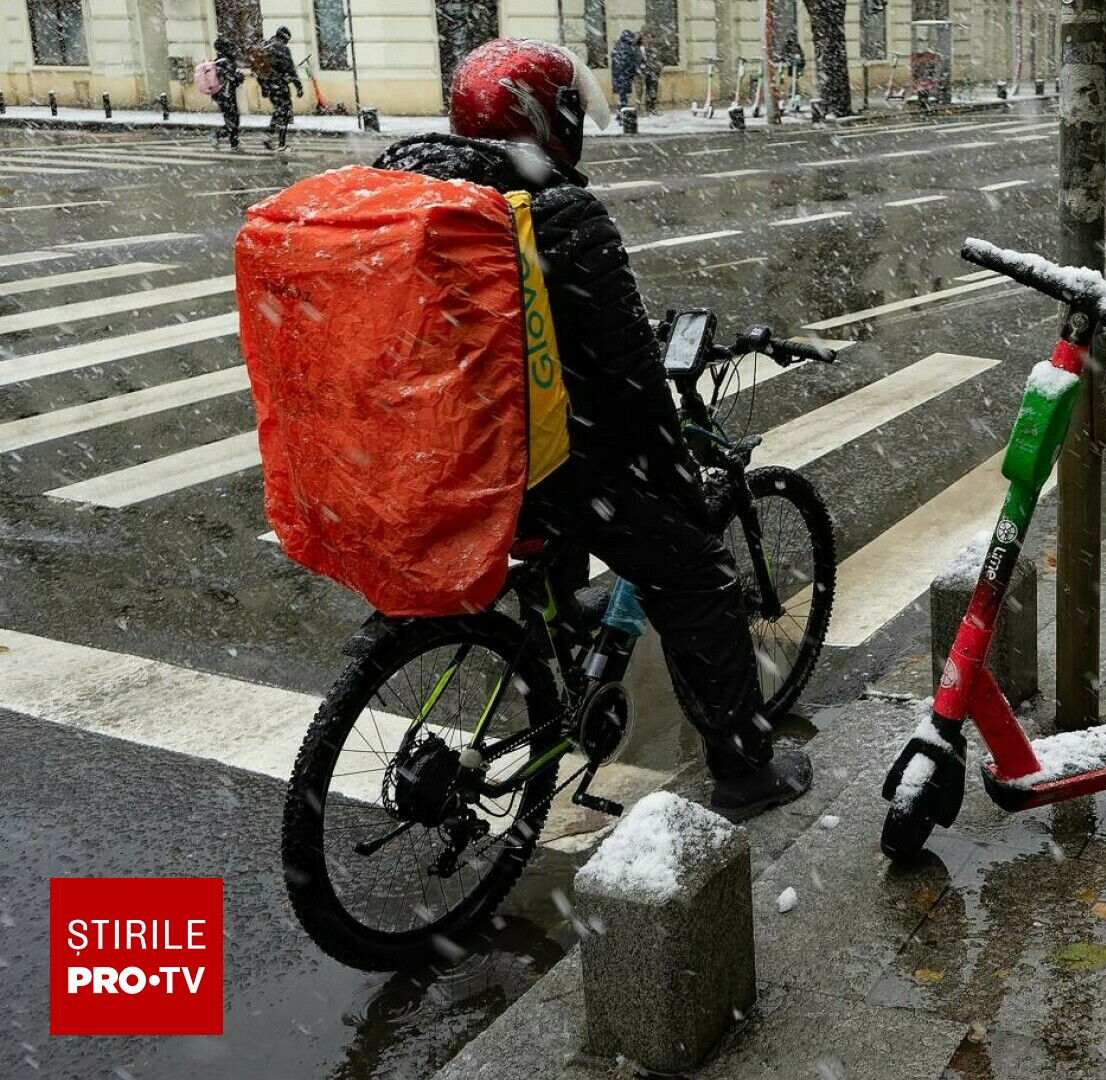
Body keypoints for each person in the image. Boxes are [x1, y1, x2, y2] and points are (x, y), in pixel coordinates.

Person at [368, 38, 813, 818]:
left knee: (568, 504)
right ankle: (746, 773)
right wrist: (678, 479)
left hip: (452, 455)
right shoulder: (562, 216)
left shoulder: (414, 195)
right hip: (546, 464)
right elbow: (631, 383)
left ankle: (563, 627)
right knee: (700, 574)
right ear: (551, 119)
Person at [256, 26, 304, 150]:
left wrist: (265, 87)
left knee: (278, 111)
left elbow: (260, 69)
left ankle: (269, 135)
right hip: (280, 85)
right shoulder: (282, 49)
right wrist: (299, 86)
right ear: (285, 38)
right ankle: (281, 144)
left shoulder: (266, 46)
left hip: (270, 85)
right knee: (284, 114)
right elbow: (290, 69)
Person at [210, 37, 244, 151]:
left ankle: (234, 144)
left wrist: (236, 78)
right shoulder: (223, 62)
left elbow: (231, 79)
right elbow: (230, 78)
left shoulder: (222, 61)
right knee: (232, 121)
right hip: (225, 96)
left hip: (226, 95)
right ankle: (218, 136)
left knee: (233, 120)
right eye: (228, 46)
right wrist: (238, 77)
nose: (231, 49)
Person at [611, 29, 640, 110]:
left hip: (622, 75)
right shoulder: (624, 47)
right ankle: (623, 110)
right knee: (623, 96)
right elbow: (626, 62)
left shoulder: (620, 46)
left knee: (623, 95)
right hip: (623, 76)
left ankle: (622, 110)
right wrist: (631, 70)